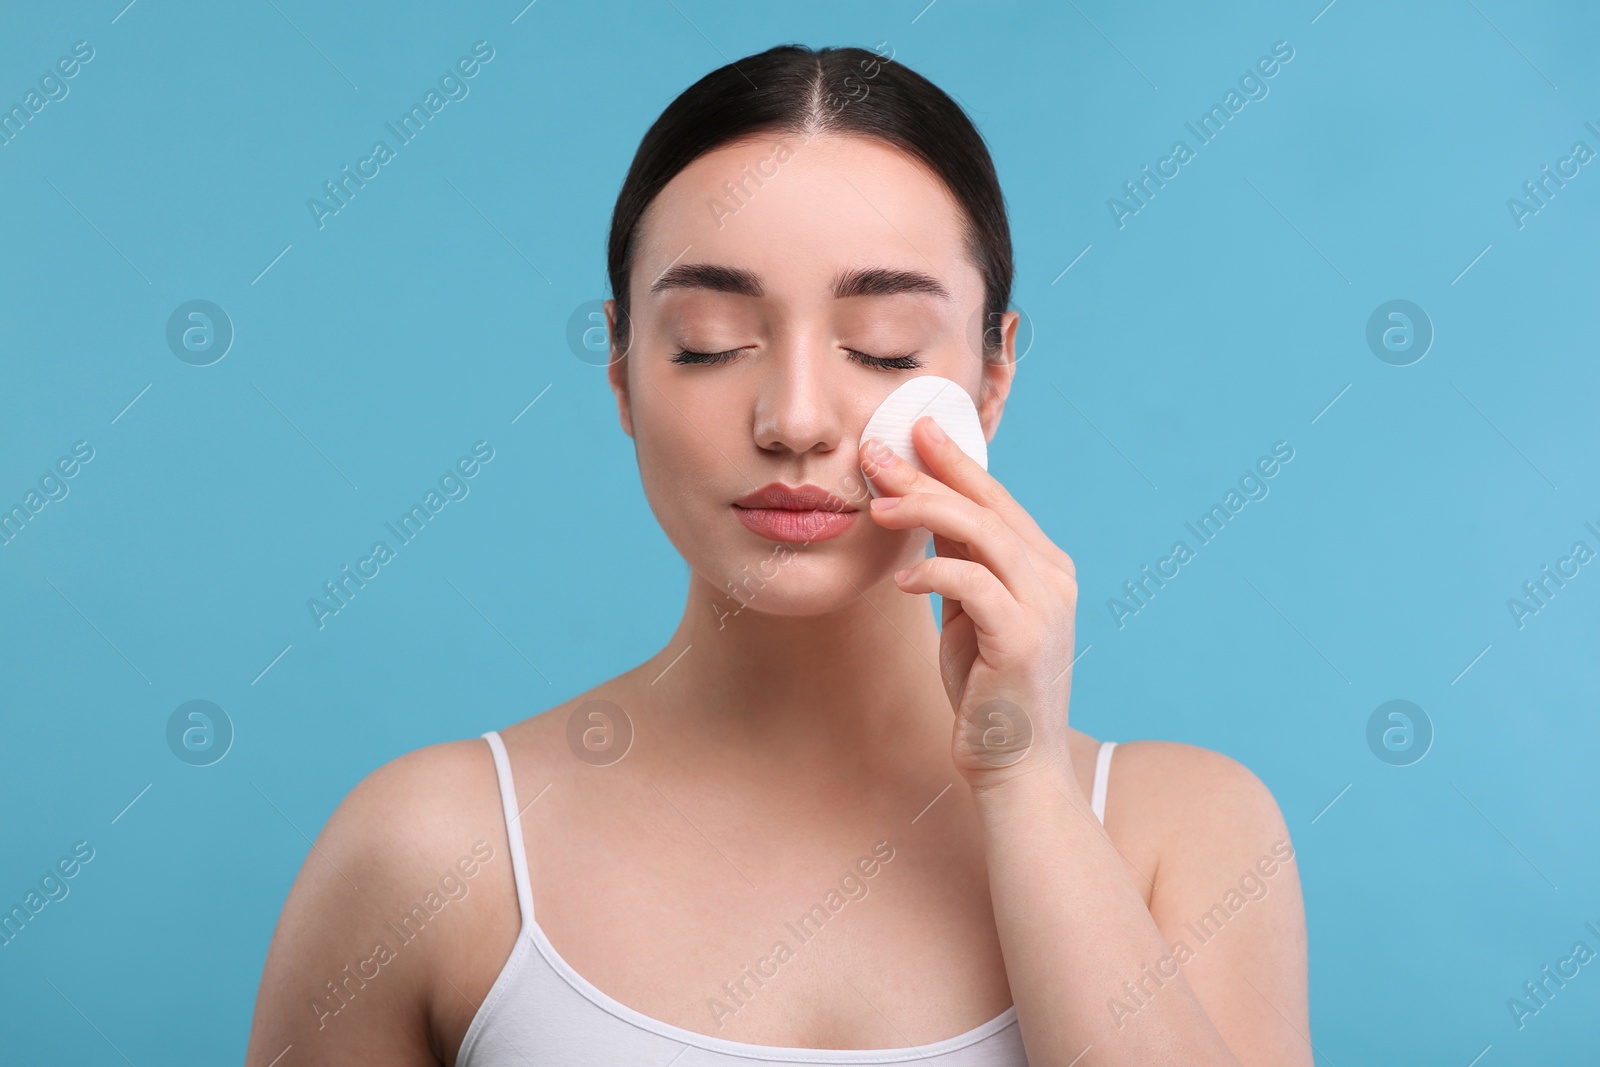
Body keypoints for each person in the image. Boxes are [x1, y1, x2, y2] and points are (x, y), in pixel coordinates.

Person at [245, 42, 1309, 1066]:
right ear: (620, 369)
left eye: (883, 346)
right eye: (708, 340)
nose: (796, 419)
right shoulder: (428, 851)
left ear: (993, 375)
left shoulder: (1184, 834)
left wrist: (1021, 775)